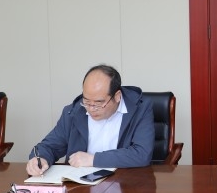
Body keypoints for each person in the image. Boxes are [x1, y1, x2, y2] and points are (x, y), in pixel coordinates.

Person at [26, 64, 154, 176]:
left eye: (99, 103)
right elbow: (49, 146)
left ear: (117, 96)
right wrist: (40, 158)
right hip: (81, 185)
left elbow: (142, 154)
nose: (91, 109)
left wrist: (93, 159)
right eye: (86, 101)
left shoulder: (140, 109)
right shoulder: (73, 112)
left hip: (124, 183)